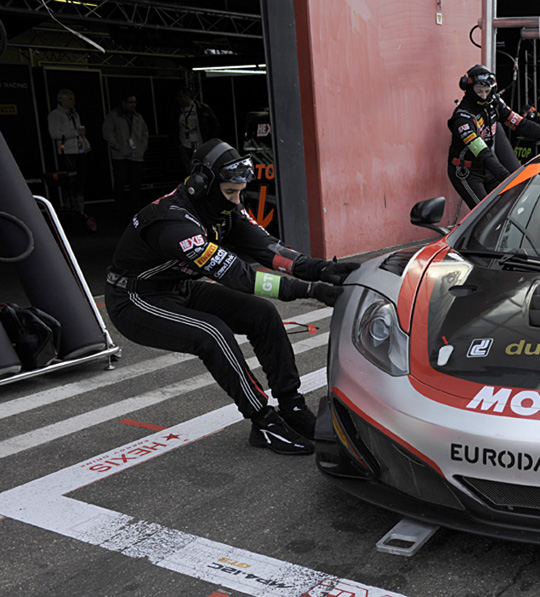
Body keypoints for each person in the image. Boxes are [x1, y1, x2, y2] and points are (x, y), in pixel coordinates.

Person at [104, 139, 360, 455]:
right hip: (135, 299)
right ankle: (263, 421)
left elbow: (267, 248)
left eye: (239, 192)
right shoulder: (171, 222)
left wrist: (321, 269)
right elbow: (240, 276)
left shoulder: (222, 207)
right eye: (229, 193)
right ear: (202, 184)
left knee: (262, 314)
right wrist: (311, 291)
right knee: (213, 334)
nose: (236, 201)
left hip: (177, 288)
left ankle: (293, 407)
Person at [447, 64, 540, 208]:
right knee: (484, 216)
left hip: (488, 168)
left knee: (508, 209)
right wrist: (507, 177)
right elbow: (482, 153)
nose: (484, 96)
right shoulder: (462, 118)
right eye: (479, 91)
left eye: (487, 91)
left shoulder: (495, 103)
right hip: (467, 172)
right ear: (468, 89)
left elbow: (523, 126)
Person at [102, 93, 149, 225]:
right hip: (120, 154)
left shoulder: (138, 117)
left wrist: (142, 147)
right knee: (120, 181)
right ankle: (119, 208)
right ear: (123, 102)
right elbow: (107, 132)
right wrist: (117, 146)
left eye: (134, 102)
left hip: (136, 154)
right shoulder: (114, 116)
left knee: (136, 181)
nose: (133, 105)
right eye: (130, 102)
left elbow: (145, 132)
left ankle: (135, 207)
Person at [47, 88, 91, 215]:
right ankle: (70, 207)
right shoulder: (55, 115)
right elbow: (54, 134)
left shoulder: (74, 114)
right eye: (70, 99)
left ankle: (80, 208)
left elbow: (79, 131)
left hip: (79, 151)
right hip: (67, 152)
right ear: (62, 100)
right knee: (69, 181)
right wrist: (75, 133)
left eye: (73, 99)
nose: (73, 102)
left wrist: (85, 143)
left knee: (80, 180)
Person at [175, 87, 221, 173]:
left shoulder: (202, 108)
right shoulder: (177, 111)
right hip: (184, 144)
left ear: (187, 96)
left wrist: (210, 141)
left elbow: (215, 125)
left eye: (180, 96)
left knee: (203, 167)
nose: (178, 99)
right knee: (188, 170)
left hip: (201, 143)